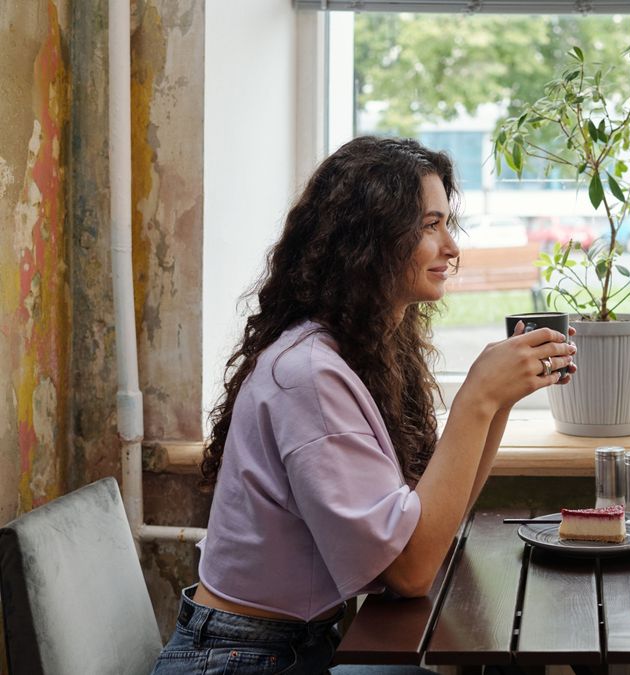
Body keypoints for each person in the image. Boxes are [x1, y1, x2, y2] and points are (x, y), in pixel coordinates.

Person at [151, 137, 576, 674]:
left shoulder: (357, 349)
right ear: (370, 239)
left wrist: (499, 401)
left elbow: (429, 527)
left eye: (447, 223)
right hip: (241, 659)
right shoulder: (308, 376)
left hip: (292, 645)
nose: (452, 247)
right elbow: (411, 570)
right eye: (429, 225)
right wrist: (477, 397)